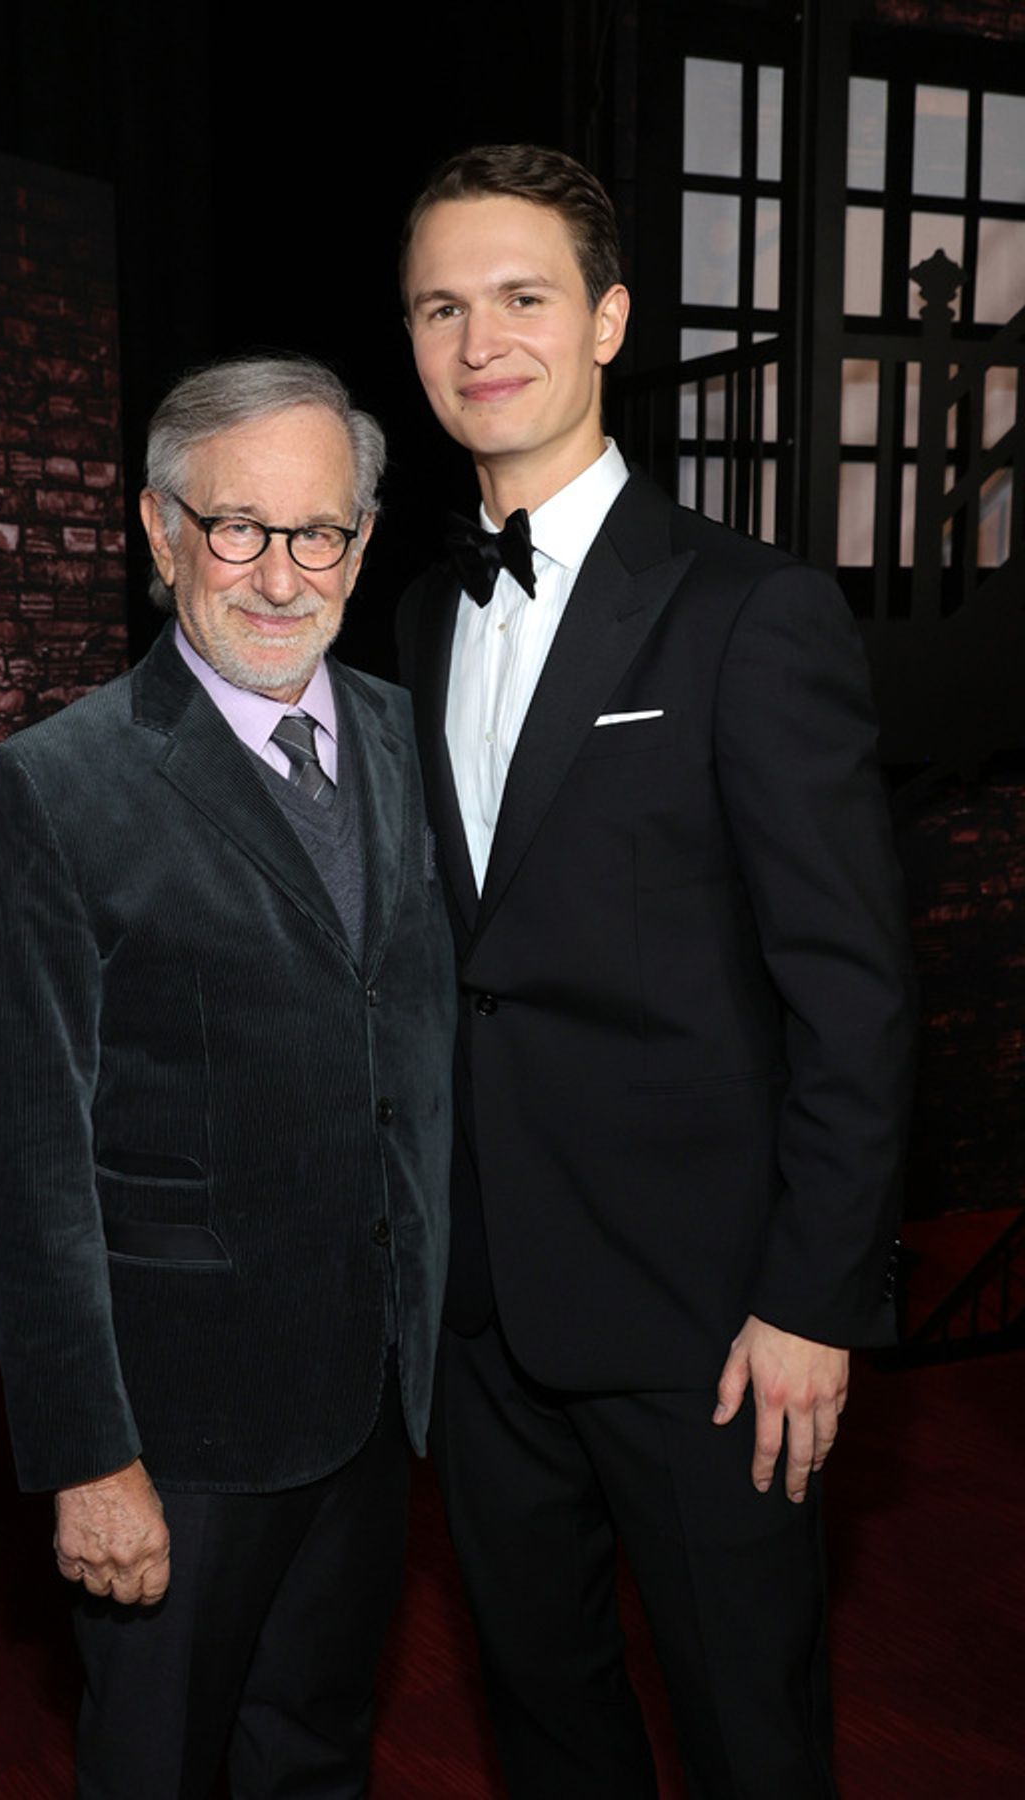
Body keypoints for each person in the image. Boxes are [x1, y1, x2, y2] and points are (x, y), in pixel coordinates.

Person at [396, 144, 916, 1798]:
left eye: (525, 297)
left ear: (610, 320)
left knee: (752, 1737)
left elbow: (853, 990)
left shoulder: (750, 610)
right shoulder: (412, 618)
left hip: (709, 1323)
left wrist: (812, 1301)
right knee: (548, 1721)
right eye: (442, 307)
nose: (483, 340)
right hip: (479, 1315)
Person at [0, 355, 455, 1800]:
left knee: (317, 1748)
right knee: (158, 1766)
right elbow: (29, 1166)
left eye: (322, 533)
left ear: (363, 541)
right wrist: (88, 1460)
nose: (282, 574)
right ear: (159, 528)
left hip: (371, 1388)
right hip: (179, 1427)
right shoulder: (58, 787)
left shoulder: (397, 734)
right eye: (238, 526)